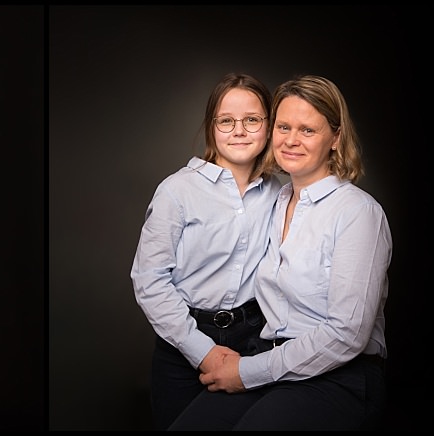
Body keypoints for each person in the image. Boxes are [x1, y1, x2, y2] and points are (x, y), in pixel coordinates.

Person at [169, 75, 392, 430]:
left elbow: (347, 334)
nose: (291, 140)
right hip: (271, 362)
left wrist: (246, 371)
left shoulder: (357, 213)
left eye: (307, 130)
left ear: (335, 138)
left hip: (340, 375)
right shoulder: (275, 200)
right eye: (284, 126)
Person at [130, 73, 283, 430]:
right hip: (184, 338)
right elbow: (149, 281)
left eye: (252, 120)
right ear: (211, 127)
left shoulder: (280, 192)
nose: (240, 130)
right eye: (226, 121)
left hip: (255, 340)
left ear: (269, 125)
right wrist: (202, 351)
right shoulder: (177, 191)